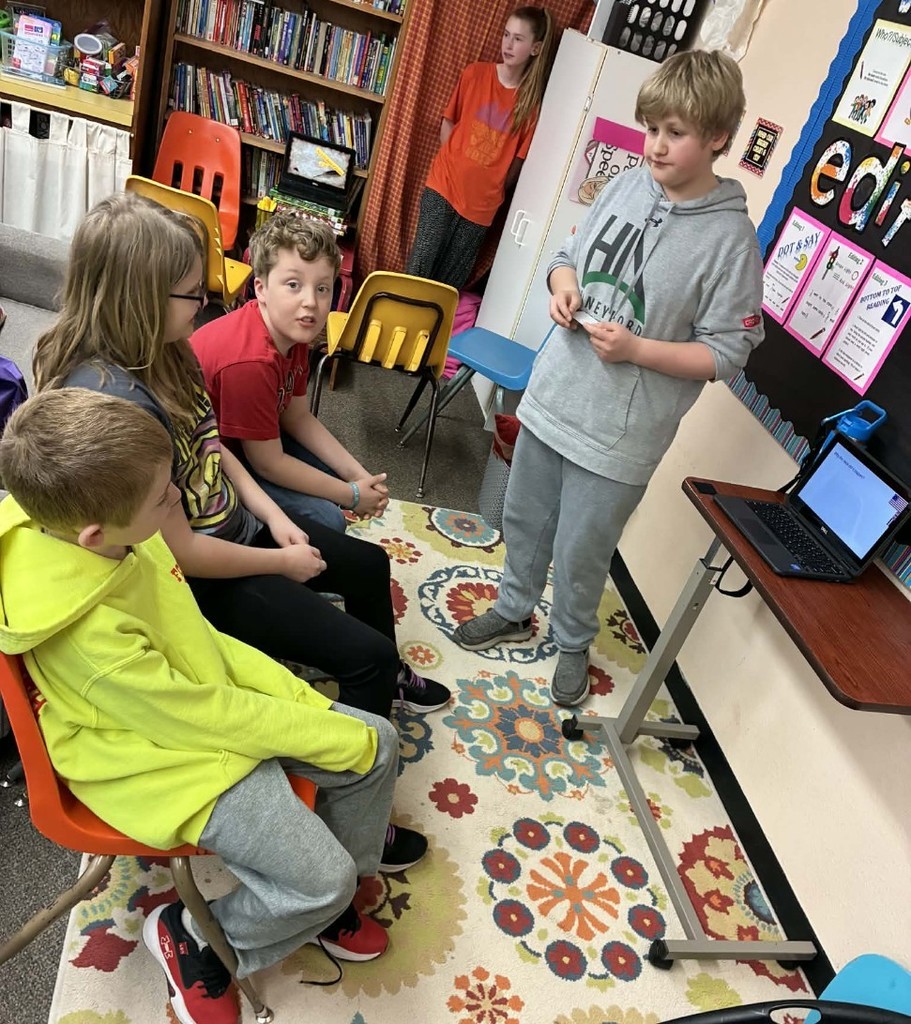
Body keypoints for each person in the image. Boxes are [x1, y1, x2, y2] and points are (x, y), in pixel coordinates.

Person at [0, 388, 410, 1024]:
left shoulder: (121, 538)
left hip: (194, 714)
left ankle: (325, 908)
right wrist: (310, 728)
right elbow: (195, 718)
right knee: (322, 870)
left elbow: (200, 641)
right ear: (94, 532)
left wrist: (296, 700)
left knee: (376, 742)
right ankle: (199, 937)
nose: (179, 499)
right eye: (165, 495)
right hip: (155, 762)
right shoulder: (92, 639)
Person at [32, 193, 451, 732]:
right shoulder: (122, 411)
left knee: (369, 565)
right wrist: (280, 562)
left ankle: (387, 676)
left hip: (237, 524)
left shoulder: (171, 348)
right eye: (191, 292)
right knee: (364, 655)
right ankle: (359, 805)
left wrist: (275, 520)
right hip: (200, 576)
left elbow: (214, 446)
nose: (204, 302)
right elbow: (183, 552)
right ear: (142, 298)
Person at [453, 50, 765, 706]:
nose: (654, 145)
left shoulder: (730, 239)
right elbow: (567, 254)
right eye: (650, 128)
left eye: (673, 133)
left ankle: (570, 643)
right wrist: (561, 287)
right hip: (553, 397)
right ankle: (512, 607)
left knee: (580, 551)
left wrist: (636, 350)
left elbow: (726, 353)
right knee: (523, 516)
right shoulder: (627, 183)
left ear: (715, 137)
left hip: (619, 436)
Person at [192, 214, 387, 533]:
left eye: (322, 288)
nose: (311, 302)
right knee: (329, 519)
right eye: (293, 285)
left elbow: (296, 418)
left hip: (251, 440)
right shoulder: (251, 361)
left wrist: (358, 476)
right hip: (212, 458)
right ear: (261, 288)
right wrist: (352, 496)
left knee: (336, 479)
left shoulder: (293, 332)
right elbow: (267, 463)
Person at [405, 6, 556, 289]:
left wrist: (491, 186)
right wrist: (456, 163)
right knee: (419, 267)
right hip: (443, 185)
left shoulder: (530, 106)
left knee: (448, 284)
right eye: (506, 35)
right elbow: (448, 124)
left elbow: (516, 166)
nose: (508, 44)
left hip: (482, 207)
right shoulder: (475, 74)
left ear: (535, 48)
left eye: (518, 39)